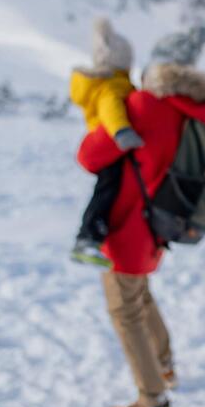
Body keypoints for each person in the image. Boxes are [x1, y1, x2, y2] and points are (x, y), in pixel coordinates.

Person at [76, 24, 205, 407]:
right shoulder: (193, 110)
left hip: (126, 227)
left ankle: (153, 401)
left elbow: (90, 156)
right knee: (139, 296)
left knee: (125, 310)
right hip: (157, 224)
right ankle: (166, 366)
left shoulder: (143, 107)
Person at [69, 18, 145, 266]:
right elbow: (111, 108)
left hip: (106, 149)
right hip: (111, 147)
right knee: (107, 192)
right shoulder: (112, 85)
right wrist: (122, 131)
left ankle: (92, 238)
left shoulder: (111, 82)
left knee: (108, 191)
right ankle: (87, 238)